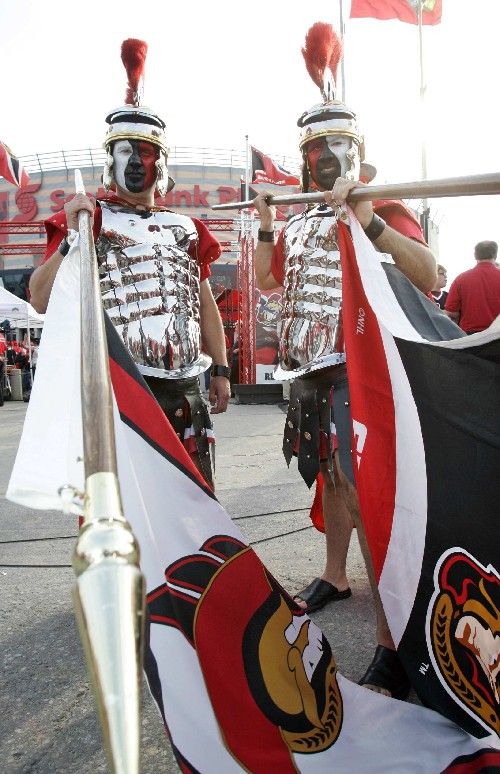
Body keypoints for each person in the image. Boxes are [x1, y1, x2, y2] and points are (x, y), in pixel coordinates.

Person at [254, 22, 437, 700]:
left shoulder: (377, 205)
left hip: (366, 372)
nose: (325, 159)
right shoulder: (301, 218)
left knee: (366, 495)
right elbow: (272, 284)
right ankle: (335, 574)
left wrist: (371, 220)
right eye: (315, 149)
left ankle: (394, 645)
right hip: (310, 371)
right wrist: (271, 221)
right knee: (330, 482)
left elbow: (429, 273)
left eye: (336, 147)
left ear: (354, 151)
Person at [29, 39, 230, 488]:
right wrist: (72, 239)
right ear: (109, 159)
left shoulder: (187, 227)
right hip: (121, 388)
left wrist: (220, 370)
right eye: (125, 151)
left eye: (145, 151)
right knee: (127, 508)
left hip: (186, 386)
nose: (136, 162)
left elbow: (203, 302)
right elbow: (41, 299)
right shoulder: (90, 218)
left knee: (192, 502)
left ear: (162, 161)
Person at [445, 240, 500, 333]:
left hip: (470, 338)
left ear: (475, 256)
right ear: (495, 255)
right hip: (497, 336)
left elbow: (452, 312)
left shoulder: (461, 279)